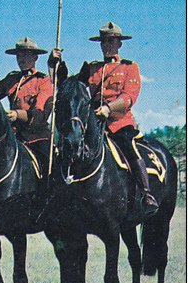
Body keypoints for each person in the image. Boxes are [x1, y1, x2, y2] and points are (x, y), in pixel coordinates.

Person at [61, 21, 158, 216]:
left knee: (129, 147)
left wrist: (109, 108)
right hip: (94, 123)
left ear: (119, 44)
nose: (107, 46)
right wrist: (54, 65)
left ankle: (147, 194)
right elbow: (70, 87)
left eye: (111, 42)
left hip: (119, 122)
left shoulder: (129, 67)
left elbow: (129, 96)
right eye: (104, 42)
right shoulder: (92, 68)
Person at [0, 36, 56, 174]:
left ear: (35, 58)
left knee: (50, 166)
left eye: (26, 55)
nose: (21, 59)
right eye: (19, 55)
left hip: (35, 136)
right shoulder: (11, 79)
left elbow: (40, 115)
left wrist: (17, 114)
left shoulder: (43, 81)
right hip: (12, 135)